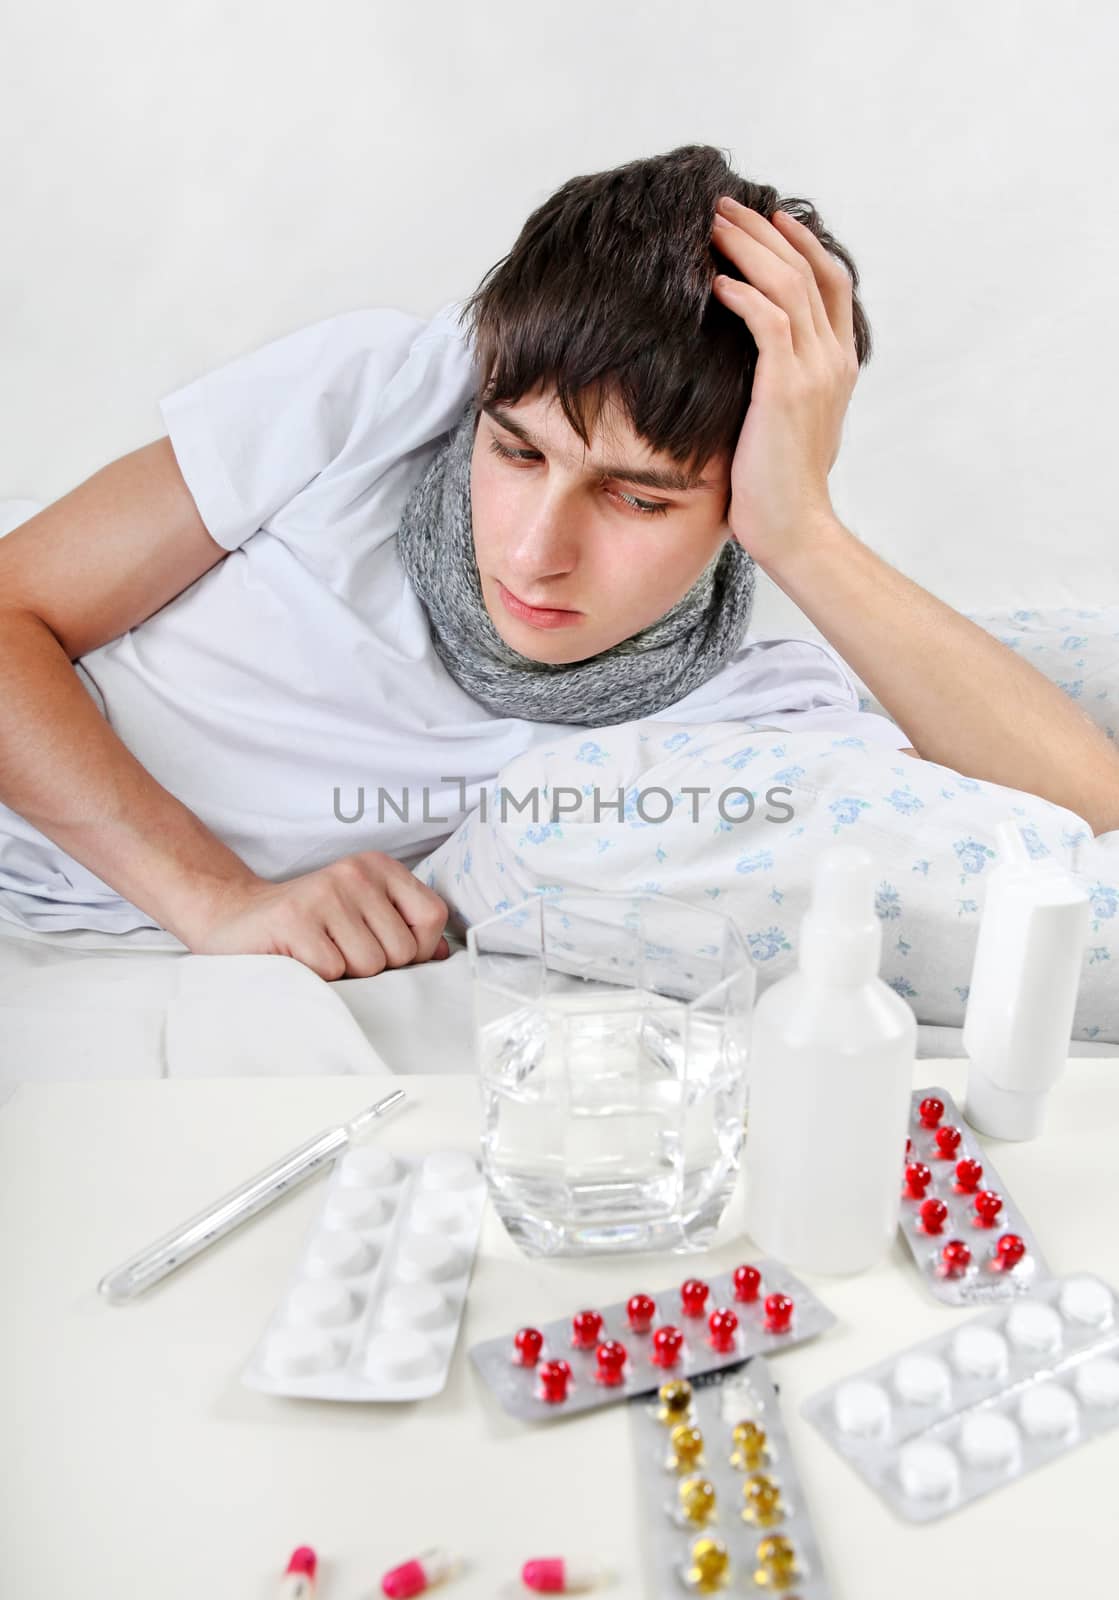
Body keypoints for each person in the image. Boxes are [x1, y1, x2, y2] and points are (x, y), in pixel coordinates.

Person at [2, 144, 1115, 982]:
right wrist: (215, 902)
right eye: (516, 450)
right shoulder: (381, 394)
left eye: (638, 497)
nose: (535, 552)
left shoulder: (749, 697)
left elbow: (1089, 816)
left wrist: (805, 531)